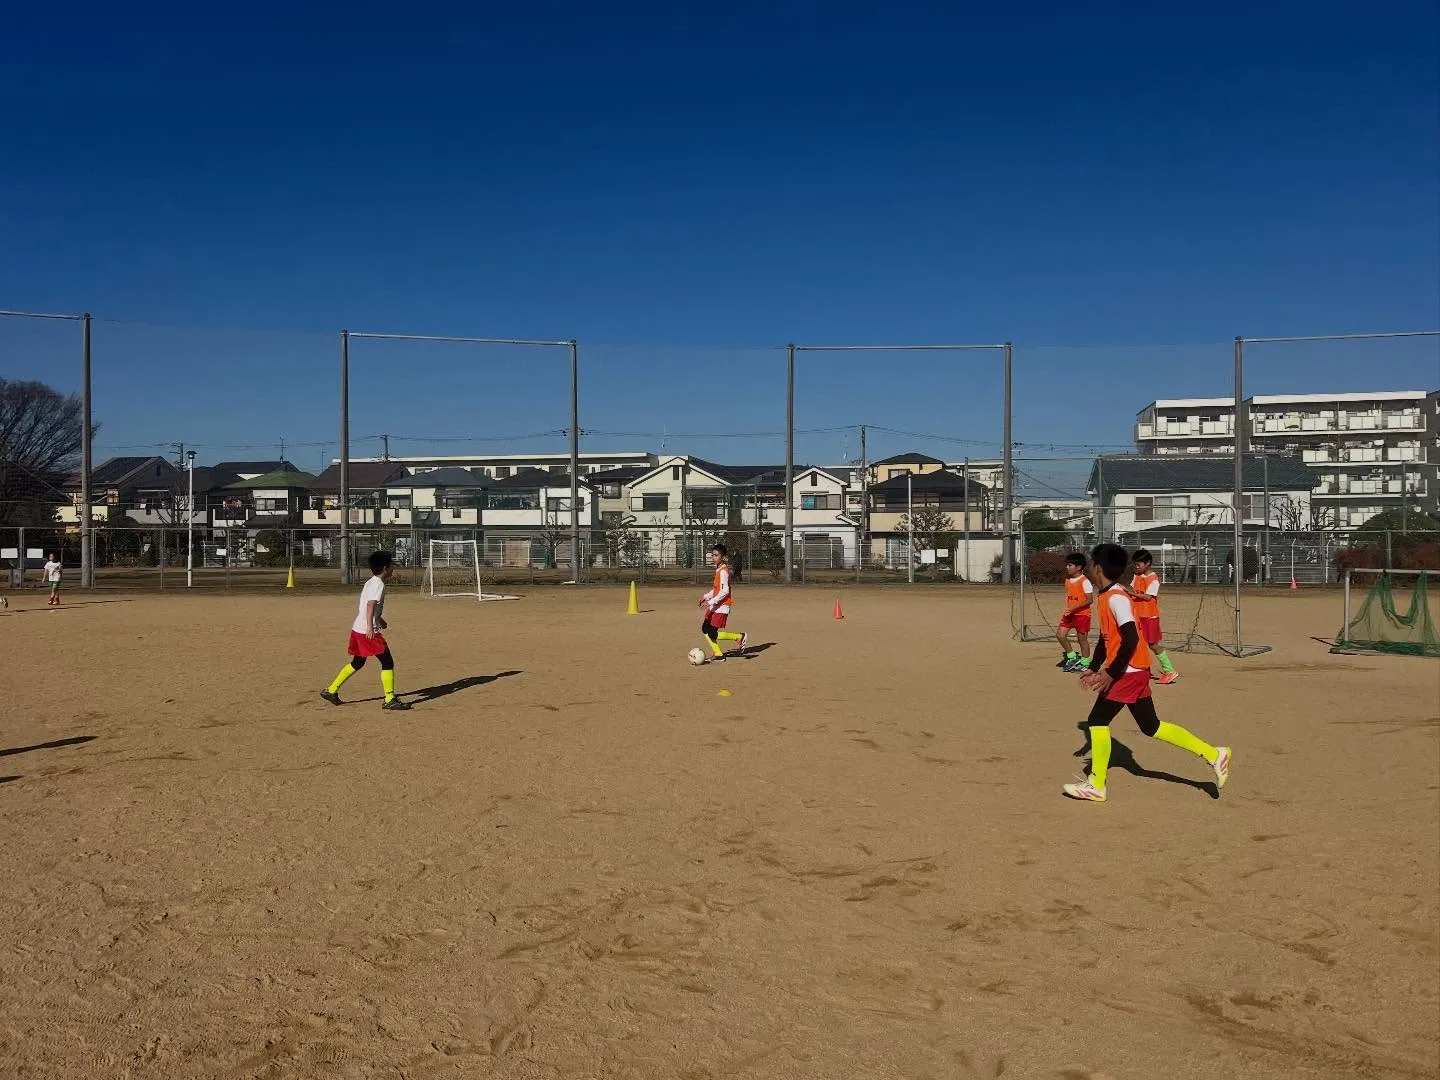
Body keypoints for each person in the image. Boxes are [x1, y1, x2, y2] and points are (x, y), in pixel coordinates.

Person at [1063, 542, 1231, 803]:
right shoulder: (1107, 595)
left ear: (1098, 568)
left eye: (1091, 565)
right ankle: (1214, 754)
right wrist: (1094, 667)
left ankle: (1096, 785)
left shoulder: (1116, 598)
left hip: (1128, 671)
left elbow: (1130, 638)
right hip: (1135, 669)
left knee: (1096, 721)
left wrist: (1111, 672)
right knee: (1151, 726)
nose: (1089, 570)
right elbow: (1106, 638)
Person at [320, 550, 411, 710]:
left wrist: (379, 619)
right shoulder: (378, 584)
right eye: (391, 565)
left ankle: (331, 690)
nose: (393, 568)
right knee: (387, 662)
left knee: (358, 662)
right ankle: (390, 699)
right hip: (367, 631)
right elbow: (370, 604)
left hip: (358, 628)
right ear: (385, 568)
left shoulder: (371, 582)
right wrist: (370, 626)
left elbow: (368, 605)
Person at [1129, 549, 1177, 684]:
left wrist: (1131, 594)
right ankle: (1143, 668)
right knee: (1138, 643)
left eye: (1139, 564)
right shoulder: (1136, 576)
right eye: (1135, 564)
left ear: (1148, 563)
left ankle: (1169, 670)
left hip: (1150, 616)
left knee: (1153, 645)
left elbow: (1148, 597)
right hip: (1138, 616)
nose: (1136, 567)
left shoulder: (1153, 579)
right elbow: (1133, 590)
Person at [698, 543, 748, 662]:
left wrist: (711, 602)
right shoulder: (719, 570)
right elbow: (717, 589)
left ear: (723, 557)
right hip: (716, 605)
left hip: (721, 606)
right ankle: (718, 654)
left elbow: (725, 591)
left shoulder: (723, 571)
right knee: (705, 628)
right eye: (712, 555)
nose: (713, 558)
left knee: (712, 633)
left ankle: (739, 637)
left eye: (716, 555)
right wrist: (706, 596)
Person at [1055, 552, 1094, 672]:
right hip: (1069, 614)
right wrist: (1070, 609)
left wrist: (1075, 607)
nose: (1067, 567)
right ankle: (1072, 657)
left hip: (1082, 615)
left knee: (1082, 639)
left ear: (1079, 567)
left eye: (1070, 565)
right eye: (1067, 565)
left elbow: (1090, 600)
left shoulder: (1085, 581)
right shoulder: (1067, 579)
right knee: (1060, 635)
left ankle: (1085, 663)